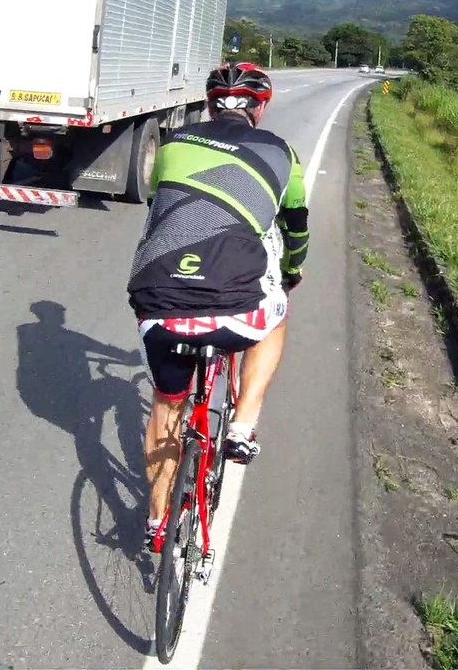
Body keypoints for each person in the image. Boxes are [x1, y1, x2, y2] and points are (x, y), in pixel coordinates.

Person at [125, 61, 309, 552]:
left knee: (168, 403)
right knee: (277, 312)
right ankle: (244, 424)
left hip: (159, 299)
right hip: (235, 309)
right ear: (260, 107)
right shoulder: (283, 154)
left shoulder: (173, 145)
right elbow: (296, 228)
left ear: (209, 104)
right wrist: (292, 271)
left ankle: (157, 522)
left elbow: (164, 211)